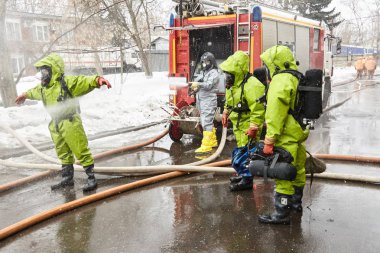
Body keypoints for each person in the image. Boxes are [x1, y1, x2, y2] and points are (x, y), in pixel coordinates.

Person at [15, 53, 112, 192]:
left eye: (45, 71)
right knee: (62, 151)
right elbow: (34, 91)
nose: (43, 75)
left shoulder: (66, 82)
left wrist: (97, 80)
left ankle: (91, 178)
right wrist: (25, 95)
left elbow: (82, 81)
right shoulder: (44, 88)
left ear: (53, 70)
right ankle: (67, 178)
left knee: (80, 149)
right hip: (55, 124)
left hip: (70, 122)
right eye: (41, 72)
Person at [258, 45, 309, 224]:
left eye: (267, 64)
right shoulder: (297, 77)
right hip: (298, 134)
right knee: (298, 170)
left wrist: (269, 139)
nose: (266, 68)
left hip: (285, 135)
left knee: (283, 174)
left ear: (276, 64)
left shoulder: (280, 80)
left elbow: (275, 113)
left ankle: (281, 213)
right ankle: (295, 205)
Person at [219, 51, 266, 191]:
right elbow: (229, 101)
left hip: (248, 123)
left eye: (230, 73)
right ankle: (243, 175)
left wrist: (254, 126)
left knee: (247, 153)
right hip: (238, 123)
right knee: (241, 150)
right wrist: (226, 112)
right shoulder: (233, 85)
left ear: (238, 71)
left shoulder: (252, 85)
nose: (227, 77)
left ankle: (247, 180)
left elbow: (258, 109)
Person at [190, 52, 220, 153]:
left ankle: (206, 145)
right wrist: (194, 87)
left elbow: (208, 85)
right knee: (205, 121)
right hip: (202, 101)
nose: (204, 64)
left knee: (206, 121)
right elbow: (199, 82)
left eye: (206, 61)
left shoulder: (214, 73)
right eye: (203, 62)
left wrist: (198, 84)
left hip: (208, 101)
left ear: (211, 62)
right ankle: (212, 141)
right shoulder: (204, 72)